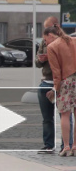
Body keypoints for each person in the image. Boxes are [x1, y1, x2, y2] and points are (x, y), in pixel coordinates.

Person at [42, 16, 73, 154]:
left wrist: (55, 89)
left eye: (45, 39)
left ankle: (66, 146)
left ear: (50, 35)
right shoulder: (74, 41)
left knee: (65, 115)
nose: (45, 42)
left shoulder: (52, 47)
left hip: (65, 81)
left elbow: (56, 72)